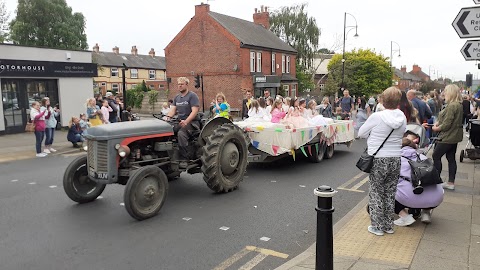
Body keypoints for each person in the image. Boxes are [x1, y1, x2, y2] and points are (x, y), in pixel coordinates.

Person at [358, 86, 406, 236]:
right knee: (390, 192)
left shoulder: (377, 117)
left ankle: (377, 227)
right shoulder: (402, 117)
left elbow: (361, 133)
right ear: (398, 102)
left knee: (376, 192)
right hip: (396, 157)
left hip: (379, 159)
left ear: (383, 101)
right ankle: (388, 225)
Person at [394, 135, 444, 226]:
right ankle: (426, 213)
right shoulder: (423, 157)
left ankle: (405, 217)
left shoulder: (396, 159)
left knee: (387, 191)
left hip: (411, 197)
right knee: (427, 187)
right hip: (436, 198)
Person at [428, 84, 463, 190]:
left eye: (446, 91)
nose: (444, 93)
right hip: (454, 136)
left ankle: (436, 181)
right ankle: (451, 182)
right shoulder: (458, 104)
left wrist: (435, 128)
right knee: (451, 158)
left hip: (447, 137)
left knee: (436, 156)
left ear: (451, 92)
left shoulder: (452, 106)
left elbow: (447, 124)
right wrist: (439, 122)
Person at [163, 77, 200, 168]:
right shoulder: (177, 97)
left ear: (186, 85)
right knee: (167, 131)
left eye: (182, 84)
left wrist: (186, 121)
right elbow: (172, 110)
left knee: (181, 134)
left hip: (192, 123)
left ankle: (185, 158)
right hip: (180, 121)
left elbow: (194, 111)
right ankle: (167, 156)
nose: (179, 86)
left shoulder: (192, 96)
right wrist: (167, 118)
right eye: (178, 84)